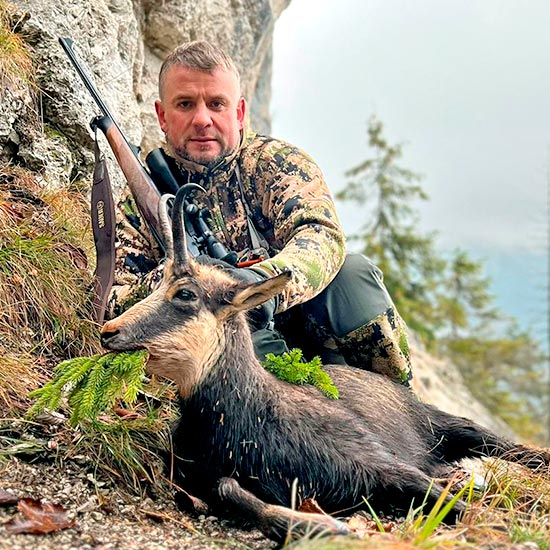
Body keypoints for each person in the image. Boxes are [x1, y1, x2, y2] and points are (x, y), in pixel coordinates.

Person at [108, 40, 412, 386]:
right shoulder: (138, 208)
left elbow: (320, 235)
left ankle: (410, 414)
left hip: (310, 333)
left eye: (216, 104)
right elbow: (119, 296)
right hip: (224, 353)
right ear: (163, 116)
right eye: (185, 104)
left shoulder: (275, 164)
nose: (202, 119)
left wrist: (259, 285)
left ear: (238, 113)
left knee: (352, 275)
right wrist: (194, 284)